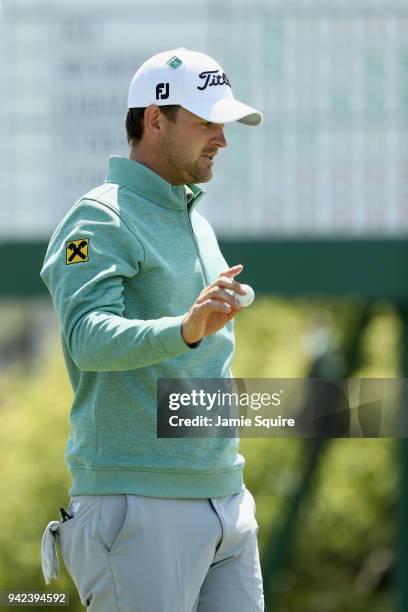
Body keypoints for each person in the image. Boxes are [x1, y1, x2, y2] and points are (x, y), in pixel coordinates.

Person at [40, 47, 265, 611]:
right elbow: (87, 338)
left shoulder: (195, 217)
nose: (222, 138)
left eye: (224, 123)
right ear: (154, 118)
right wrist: (185, 327)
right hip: (136, 504)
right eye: (206, 122)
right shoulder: (97, 217)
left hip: (226, 500)